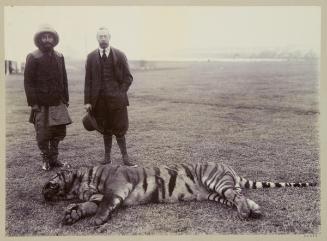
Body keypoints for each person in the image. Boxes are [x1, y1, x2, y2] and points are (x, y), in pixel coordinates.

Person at [84, 27, 136, 166]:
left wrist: (120, 93)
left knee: (120, 129)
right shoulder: (90, 57)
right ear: (97, 38)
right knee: (105, 129)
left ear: (109, 37)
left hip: (117, 101)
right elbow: (88, 80)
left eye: (105, 36)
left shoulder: (119, 54)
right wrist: (87, 101)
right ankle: (107, 158)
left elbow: (128, 77)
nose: (103, 39)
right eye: (100, 36)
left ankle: (125, 158)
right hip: (99, 102)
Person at [24, 25, 72, 171]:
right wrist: (33, 103)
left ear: (54, 39)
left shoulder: (59, 56)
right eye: (44, 37)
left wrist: (66, 99)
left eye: (49, 37)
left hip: (58, 102)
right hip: (41, 104)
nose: (47, 40)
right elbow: (28, 82)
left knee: (58, 132)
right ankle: (45, 159)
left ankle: (54, 159)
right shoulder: (33, 57)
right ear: (39, 40)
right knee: (43, 134)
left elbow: (64, 78)